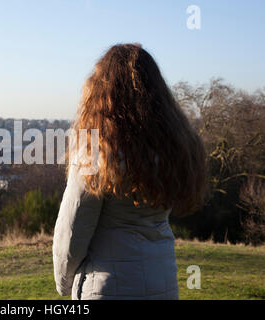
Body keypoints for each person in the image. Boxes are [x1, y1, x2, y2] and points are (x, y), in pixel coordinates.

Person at [52, 43, 207, 300]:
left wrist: (64, 284)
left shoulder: (96, 148)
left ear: (101, 92)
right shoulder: (175, 147)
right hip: (163, 282)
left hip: (107, 287)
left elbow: (72, 230)